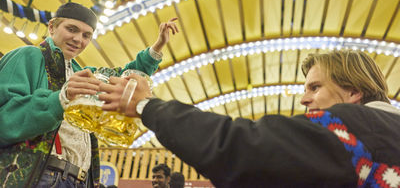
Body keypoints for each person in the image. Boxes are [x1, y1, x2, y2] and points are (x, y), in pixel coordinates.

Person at [99, 50, 400, 187]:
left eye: (315, 87)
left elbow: (240, 147)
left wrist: (147, 106)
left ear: (354, 92)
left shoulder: (350, 127)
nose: (304, 98)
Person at [0, 2, 178, 187]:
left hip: (80, 179)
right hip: (41, 174)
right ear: (52, 26)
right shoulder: (28, 55)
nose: (78, 39)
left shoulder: (81, 72)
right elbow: (4, 120)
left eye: (87, 35)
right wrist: (60, 99)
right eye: (72, 29)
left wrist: (157, 47)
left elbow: (123, 78)